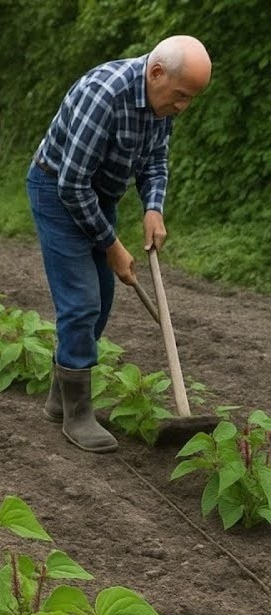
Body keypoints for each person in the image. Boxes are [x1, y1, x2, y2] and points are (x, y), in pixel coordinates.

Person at [27, 35, 211, 453]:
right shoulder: (104, 94)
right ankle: (78, 416)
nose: (182, 107)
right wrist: (112, 245)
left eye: (190, 100)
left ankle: (60, 398)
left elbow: (155, 160)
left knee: (102, 301)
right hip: (57, 191)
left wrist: (153, 207)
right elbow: (72, 184)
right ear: (157, 73)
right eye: (181, 96)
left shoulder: (162, 100)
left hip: (98, 195)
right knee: (81, 302)